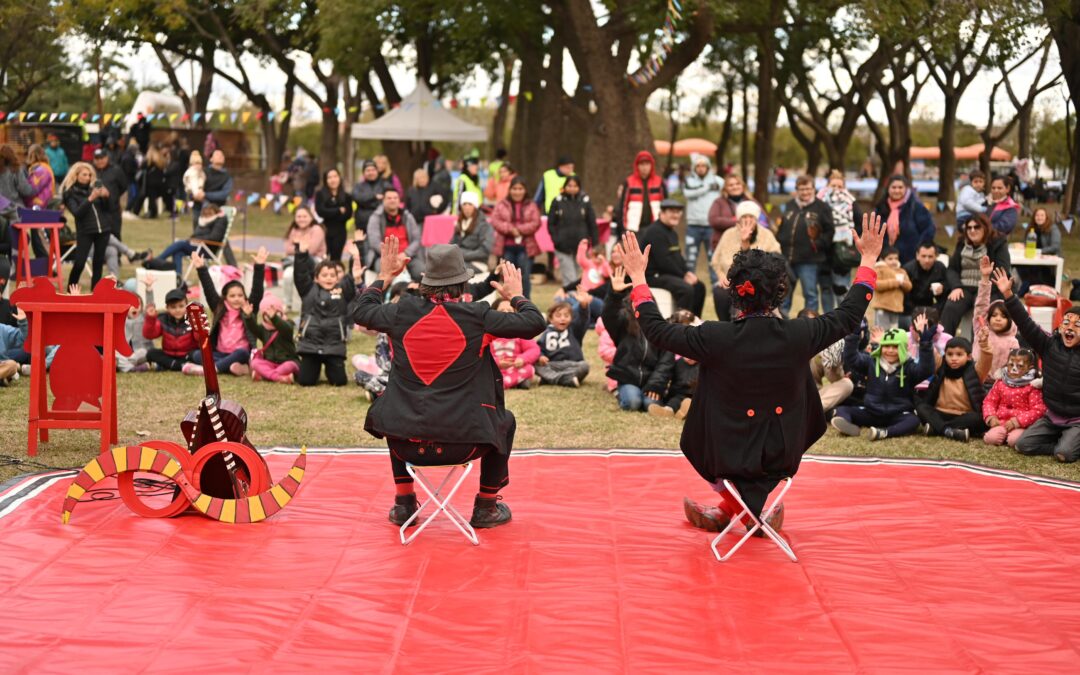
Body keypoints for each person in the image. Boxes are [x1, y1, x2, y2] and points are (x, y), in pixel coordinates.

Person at [617, 212, 886, 527]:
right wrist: (867, 258)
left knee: (694, 431)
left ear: (733, 291)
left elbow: (657, 330)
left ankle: (741, 510)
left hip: (724, 454)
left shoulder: (713, 336)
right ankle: (744, 511)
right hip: (783, 453)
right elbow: (849, 315)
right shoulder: (802, 333)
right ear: (780, 292)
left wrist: (638, 278)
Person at [349, 240, 546, 529]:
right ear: (463, 284)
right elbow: (533, 322)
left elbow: (361, 311)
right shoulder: (478, 318)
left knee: (393, 410)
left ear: (426, 282)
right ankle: (486, 507)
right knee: (506, 420)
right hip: (465, 443)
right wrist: (517, 296)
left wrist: (385, 276)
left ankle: (404, 504)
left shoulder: (400, 313)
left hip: (407, 444)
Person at [994, 267, 1080, 462]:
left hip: (1077, 420)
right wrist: (1008, 294)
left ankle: (1068, 443)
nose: (1070, 329)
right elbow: (1026, 324)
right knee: (1023, 445)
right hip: (1053, 416)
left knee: (1064, 454)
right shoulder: (1049, 345)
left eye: (1077, 326)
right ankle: (1064, 442)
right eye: (1067, 323)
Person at [832, 320, 935, 441]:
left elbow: (926, 370)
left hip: (898, 414)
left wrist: (926, 344)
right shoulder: (871, 361)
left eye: (895, 347)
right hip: (871, 412)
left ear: (903, 348)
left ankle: (884, 432)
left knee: (913, 420)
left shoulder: (909, 366)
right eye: (886, 346)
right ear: (881, 346)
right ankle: (848, 426)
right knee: (842, 409)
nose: (890, 350)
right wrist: (853, 336)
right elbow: (852, 359)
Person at [601, 270, 671, 414]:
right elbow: (609, 315)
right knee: (634, 403)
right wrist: (615, 294)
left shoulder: (660, 327)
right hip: (628, 378)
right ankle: (620, 392)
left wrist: (655, 384)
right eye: (634, 301)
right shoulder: (622, 324)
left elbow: (666, 360)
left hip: (651, 379)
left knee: (649, 404)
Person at [189, 247, 267, 376]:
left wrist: (259, 266)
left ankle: (213, 368)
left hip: (240, 353)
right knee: (198, 354)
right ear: (225, 297)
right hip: (220, 352)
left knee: (242, 353)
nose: (237, 299)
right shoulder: (219, 307)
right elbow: (209, 290)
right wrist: (201, 268)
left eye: (240, 295)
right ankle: (236, 367)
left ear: (244, 296)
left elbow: (257, 291)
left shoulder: (248, 307)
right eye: (232, 296)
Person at [294, 239, 362, 387]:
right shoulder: (307, 290)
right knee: (306, 381)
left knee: (339, 382)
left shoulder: (343, 290)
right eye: (324, 275)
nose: (329, 278)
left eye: (332, 275)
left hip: (334, 346)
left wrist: (356, 257)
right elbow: (299, 274)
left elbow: (353, 275)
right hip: (310, 345)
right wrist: (301, 254)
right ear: (316, 278)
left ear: (338, 277)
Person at [916, 330, 994, 442]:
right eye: (950, 354)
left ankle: (937, 428)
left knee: (980, 418)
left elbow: (987, 358)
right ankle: (950, 431)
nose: (953, 358)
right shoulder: (940, 365)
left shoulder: (976, 371)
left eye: (959, 354)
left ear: (969, 357)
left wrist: (984, 343)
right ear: (945, 355)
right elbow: (930, 352)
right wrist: (924, 338)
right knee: (921, 408)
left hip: (963, 416)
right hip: (939, 413)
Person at [940, 213, 1010, 336]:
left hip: (989, 288)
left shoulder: (998, 243)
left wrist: (984, 289)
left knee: (981, 313)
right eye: (969, 227)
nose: (972, 230)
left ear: (985, 228)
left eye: (977, 227)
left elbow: (1002, 270)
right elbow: (952, 269)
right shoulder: (962, 243)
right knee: (951, 307)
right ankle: (946, 347)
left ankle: (978, 350)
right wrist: (956, 286)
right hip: (964, 287)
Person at [710, 200, 781, 321]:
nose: (747, 220)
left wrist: (745, 243)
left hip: (759, 283)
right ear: (738, 219)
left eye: (751, 217)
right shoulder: (728, 234)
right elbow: (715, 260)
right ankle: (725, 326)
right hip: (730, 281)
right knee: (719, 293)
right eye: (744, 216)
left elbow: (776, 257)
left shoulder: (766, 234)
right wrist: (721, 276)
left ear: (757, 218)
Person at [778, 175, 835, 317]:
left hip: (809, 260)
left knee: (810, 294)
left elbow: (830, 231)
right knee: (783, 294)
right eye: (802, 189)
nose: (805, 192)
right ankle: (782, 324)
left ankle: (810, 326)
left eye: (808, 189)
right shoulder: (790, 205)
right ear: (797, 190)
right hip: (787, 259)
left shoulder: (822, 207)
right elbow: (782, 227)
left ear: (814, 189)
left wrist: (818, 244)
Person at [638, 199, 706, 316]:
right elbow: (664, 262)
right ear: (662, 213)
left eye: (678, 212)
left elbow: (677, 258)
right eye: (672, 211)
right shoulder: (655, 232)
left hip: (666, 274)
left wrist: (687, 272)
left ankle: (694, 321)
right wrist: (683, 276)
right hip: (652, 276)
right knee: (686, 289)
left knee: (699, 286)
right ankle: (681, 325)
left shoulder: (672, 233)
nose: (676, 215)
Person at [61, 162, 112, 289]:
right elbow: (77, 213)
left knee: (98, 263)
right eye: (84, 174)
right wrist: (90, 198)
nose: (88, 177)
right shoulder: (69, 193)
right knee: (79, 263)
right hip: (85, 231)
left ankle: (95, 294)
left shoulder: (93, 188)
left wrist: (106, 197)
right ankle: (70, 291)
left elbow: (108, 208)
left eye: (89, 175)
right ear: (76, 175)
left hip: (103, 230)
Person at [982, 348, 1046, 448]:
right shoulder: (1000, 382)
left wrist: (1017, 421)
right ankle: (1001, 435)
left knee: (1013, 440)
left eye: (1020, 366)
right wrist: (991, 417)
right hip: (1000, 422)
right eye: (1011, 364)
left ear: (1030, 368)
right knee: (990, 439)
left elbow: (1038, 409)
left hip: (1021, 425)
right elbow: (990, 401)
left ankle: (1010, 437)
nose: (1014, 369)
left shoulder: (1032, 386)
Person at [817, 171, 863, 307]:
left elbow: (859, 224)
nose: (836, 189)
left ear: (844, 187)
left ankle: (842, 318)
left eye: (839, 186)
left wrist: (849, 237)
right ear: (827, 185)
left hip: (842, 253)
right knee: (825, 289)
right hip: (824, 252)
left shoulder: (851, 202)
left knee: (842, 288)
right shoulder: (819, 201)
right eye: (833, 185)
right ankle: (827, 320)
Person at [490, 177, 542, 299]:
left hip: (525, 248)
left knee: (524, 277)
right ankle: (508, 304)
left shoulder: (532, 205)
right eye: (514, 188)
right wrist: (510, 229)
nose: (517, 192)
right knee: (507, 278)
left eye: (520, 189)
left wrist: (519, 230)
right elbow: (495, 220)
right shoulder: (502, 204)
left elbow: (536, 222)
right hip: (506, 247)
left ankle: (525, 305)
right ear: (510, 190)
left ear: (525, 190)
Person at [149, 202, 228, 279]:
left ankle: (156, 260)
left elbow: (214, 237)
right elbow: (196, 234)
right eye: (205, 214)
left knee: (180, 244)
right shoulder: (203, 221)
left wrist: (197, 239)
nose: (206, 216)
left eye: (209, 214)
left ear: (215, 213)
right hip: (197, 246)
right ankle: (178, 278)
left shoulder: (220, 220)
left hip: (207, 249)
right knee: (178, 252)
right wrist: (192, 239)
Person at [647, 309, 701, 419]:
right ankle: (668, 410)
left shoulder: (703, 350)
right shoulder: (673, 355)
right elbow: (665, 370)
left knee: (694, 401)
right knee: (675, 400)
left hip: (697, 392)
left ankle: (687, 411)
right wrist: (656, 385)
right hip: (679, 391)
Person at [974, 254, 1019, 383]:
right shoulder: (982, 330)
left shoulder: (1013, 342)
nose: (998, 319)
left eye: (1003, 316)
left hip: (1001, 386)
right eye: (994, 315)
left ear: (1011, 320)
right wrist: (985, 278)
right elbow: (981, 305)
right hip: (977, 381)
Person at [547, 175, 598, 286]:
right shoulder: (557, 201)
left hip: (581, 247)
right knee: (569, 278)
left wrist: (594, 243)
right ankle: (570, 301)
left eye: (575, 186)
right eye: (569, 185)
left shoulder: (585, 201)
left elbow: (592, 223)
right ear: (565, 186)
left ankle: (576, 300)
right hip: (562, 247)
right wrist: (557, 240)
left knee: (579, 277)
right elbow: (551, 223)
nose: (572, 188)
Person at [872, 174, 935, 265]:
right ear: (888, 189)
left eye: (900, 187)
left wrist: (919, 248)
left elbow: (929, 229)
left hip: (910, 260)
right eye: (893, 187)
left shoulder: (915, 206)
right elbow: (874, 232)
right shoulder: (881, 207)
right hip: (885, 259)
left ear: (906, 189)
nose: (897, 190)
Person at [535, 292, 591, 387]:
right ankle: (566, 379)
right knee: (535, 365)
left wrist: (583, 306)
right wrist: (541, 357)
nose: (562, 319)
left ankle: (549, 378)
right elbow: (538, 348)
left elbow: (583, 319)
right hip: (553, 365)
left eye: (566, 316)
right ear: (551, 319)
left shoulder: (574, 330)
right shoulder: (546, 333)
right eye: (558, 316)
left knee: (585, 366)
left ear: (571, 318)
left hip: (572, 365)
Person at [366, 188, 424, 279]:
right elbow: (374, 242)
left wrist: (405, 253)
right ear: (383, 201)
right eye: (389, 198)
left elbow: (417, 239)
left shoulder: (408, 216)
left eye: (395, 198)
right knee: (383, 277)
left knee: (422, 272)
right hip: (385, 258)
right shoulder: (375, 218)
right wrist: (391, 257)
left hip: (408, 257)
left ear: (399, 200)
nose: (392, 200)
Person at [682, 154, 723, 282]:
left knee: (714, 260)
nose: (700, 168)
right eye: (698, 165)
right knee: (690, 260)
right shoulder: (689, 181)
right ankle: (689, 289)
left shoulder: (718, 181)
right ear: (694, 168)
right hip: (693, 226)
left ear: (708, 167)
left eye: (703, 165)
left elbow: (726, 194)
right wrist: (706, 188)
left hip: (711, 226)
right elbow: (688, 194)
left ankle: (717, 289)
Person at [243, 294, 299, 384]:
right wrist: (248, 316)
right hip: (270, 363)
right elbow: (253, 328)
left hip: (287, 361)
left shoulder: (288, 324)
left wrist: (274, 318)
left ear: (281, 312)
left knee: (290, 365)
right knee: (255, 363)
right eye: (267, 314)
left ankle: (264, 376)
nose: (271, 316)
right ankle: (280, 378)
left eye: (276, 313)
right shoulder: (263, 328)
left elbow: (286, 329)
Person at [489, 297, 542, 389]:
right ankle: (520, 382)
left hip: (516, 367)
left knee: (529, 369)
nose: (505, 313)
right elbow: (481, 354)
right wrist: (497, 362)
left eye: (509, 310)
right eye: (501, 310)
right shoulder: (488, 334)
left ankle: (503, 384)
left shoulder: (520, 332)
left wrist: (522, 359)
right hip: (495, 369)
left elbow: (534, 349)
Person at [143, 287, 198, 372]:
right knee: (151, 353)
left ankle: (168, 365)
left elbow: (199, 339)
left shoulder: (192, 319)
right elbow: (149, 335)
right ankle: (179, 366)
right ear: (167, 308)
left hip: (187, 355)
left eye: (181, 306)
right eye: (173, 307)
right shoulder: (163, 319)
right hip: (168, 354)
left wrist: (197, 325)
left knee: (198, 355)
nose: (177, 310)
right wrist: (150, 319)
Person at [614, 151, 665, 237]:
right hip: (633, 228)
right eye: (642, 164)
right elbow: (623, 206)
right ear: (637, 166)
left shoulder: (659, 182)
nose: (644, 167)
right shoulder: (629, 182)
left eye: (647, 164)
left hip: (655, 227)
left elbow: (665, 205)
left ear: (651, 165)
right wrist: (622, 228)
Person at [1018, 207, 1062, 290]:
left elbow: (1055, 247)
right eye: (1037, 215)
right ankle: (1023, 287)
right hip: (1031, 257)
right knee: (1018, 266)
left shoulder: (1053, 228)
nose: (1039, 217)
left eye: (1042, 215)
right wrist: (1022, 246)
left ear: (1046, 217)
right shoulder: (1030, 227)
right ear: (1034, 217)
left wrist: (1039, 252)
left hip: (1048, 258)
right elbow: (1025, 243)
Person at [450, 192, 493, 274]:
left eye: (470, 204)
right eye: (464, 204)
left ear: (475, 206)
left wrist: (462, 255)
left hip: (477, 263)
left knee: (451, 269)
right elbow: (452, 243)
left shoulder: (484, 226)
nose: (466, 207)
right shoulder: (460, 223)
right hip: (459, 260)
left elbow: (485, 251)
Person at [314, 168, 353, 261]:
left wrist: (329, 211)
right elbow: (320, 212)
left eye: (335, 176)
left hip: (340, 231)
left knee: (336, 259)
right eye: (329, 177)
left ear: (339, 178)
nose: (333, 179)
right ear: (325, 180)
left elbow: (348, 214)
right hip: (325, 230)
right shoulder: (320, 194)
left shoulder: (346, 196)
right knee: (322, 258)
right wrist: (338, 210)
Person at [902, 241, 950, 316]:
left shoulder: (940, 267)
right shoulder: (908, 269)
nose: (926, 260)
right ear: (917, 256)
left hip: (934, 307)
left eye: (930, 256)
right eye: (923, 256)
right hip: (910, 309)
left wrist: (943, 287)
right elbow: (904, 296)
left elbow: (949, 284)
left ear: (936, 256)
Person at [90, 148, 128, 241]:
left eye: (102, 158)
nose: (99, 161)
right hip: (96, 209)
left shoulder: (116, 170)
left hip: (112, 210)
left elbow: (123, 186)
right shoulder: (90, 171)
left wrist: (113, 197)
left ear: (107, 158)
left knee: (115, 234)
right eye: (97, 159)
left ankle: (116, 255)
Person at [870, 247, 911, 330]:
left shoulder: (901, 271)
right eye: (890, 259)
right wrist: (895, 282)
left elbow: (909, 286)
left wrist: (903, 283)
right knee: (883, 331)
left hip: (896, 308)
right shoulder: (879, 269)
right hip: (882, 307)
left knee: (893, 330)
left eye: (896, 258)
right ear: (882, 259)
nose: (894, 261)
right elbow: (876, 284)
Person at [192, 149, 232, 221]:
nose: (220, 156)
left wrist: (205, 195)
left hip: (218, 211)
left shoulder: (227, 176)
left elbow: (224, 194)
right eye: (217, 154)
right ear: (211, 159)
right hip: (199, 209)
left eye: (222, 155)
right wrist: (195, 195)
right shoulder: (202, 172)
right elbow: (193, 187)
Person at [352, 160, 389, 238]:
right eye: (368, 170)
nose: (371, 172)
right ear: (363, 172)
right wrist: (374, 197)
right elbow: (357, 198)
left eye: (373, 170)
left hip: (381, 222)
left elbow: (389, 199)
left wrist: (366, 202)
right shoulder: (358, 186)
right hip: (362, 223)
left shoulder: (385, 184)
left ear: (377, 171)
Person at [24, 144, 55, 210]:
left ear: (32, 155)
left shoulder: (41, 170)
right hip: (42, 203)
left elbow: (32, 189)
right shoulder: (45, 167)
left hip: (37, 205)